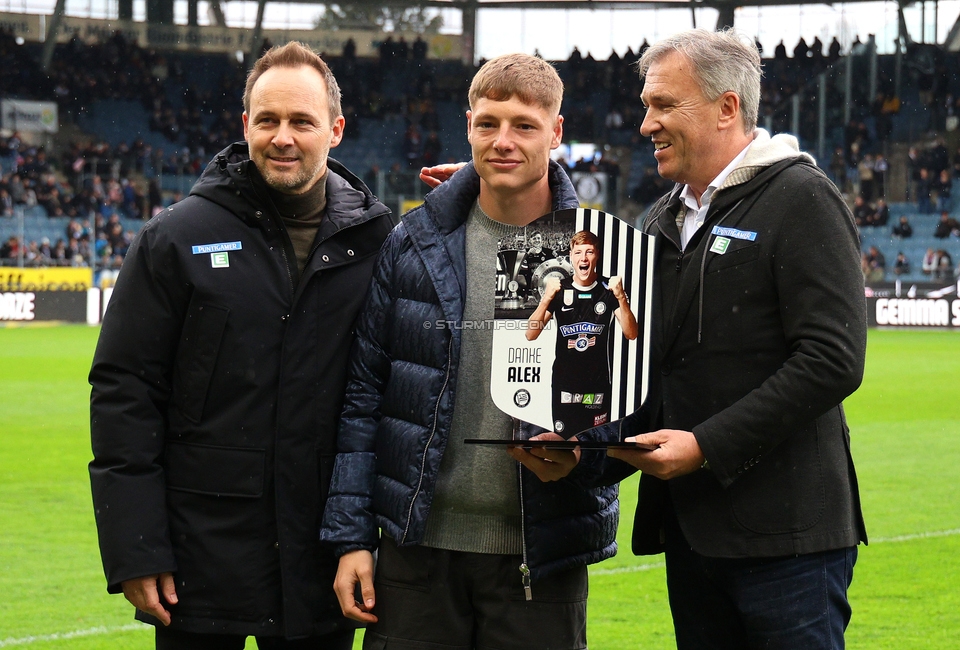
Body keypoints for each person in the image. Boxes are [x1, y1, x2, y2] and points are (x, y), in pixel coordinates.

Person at [535, 29, 866, 649]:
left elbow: (833, 359)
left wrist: (706, 446)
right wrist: (586, 448)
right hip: (691, 532)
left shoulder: (801, 197)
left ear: (727, 107)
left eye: (663, 105)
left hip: (788, 539)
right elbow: (640, 367)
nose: (645, 124)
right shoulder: (659, 221)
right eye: (645, 106)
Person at [88, 42, 395, 650]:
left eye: (301, 122)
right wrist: (137, 547)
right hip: (198, 568)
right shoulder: (175, 237)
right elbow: (126, 394)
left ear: (334, 129)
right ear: (244, 125)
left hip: (324, 563)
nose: (283, 137)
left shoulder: (380, 241)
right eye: (268, 120)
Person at [321, 53, 617, 650]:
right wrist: (352, 538)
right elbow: (363, 395)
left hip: (542, 556)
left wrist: (584, 453)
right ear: (467, 125)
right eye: (488, 124)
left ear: (556, 133)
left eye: (524, 126)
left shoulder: (603, 252)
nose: (503, 141)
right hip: (415, 551)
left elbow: (632, 406)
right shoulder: (413, 240)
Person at [526, 229, 638, 436]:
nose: (583, 258)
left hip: (596, 386)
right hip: (564, 386)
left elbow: (631, 333)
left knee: (593, 446)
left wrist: (621, 296)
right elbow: (531, 334)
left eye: (589, 252)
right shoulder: (559, 289)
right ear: (571, 256)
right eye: (578, 253)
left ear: (597, 255)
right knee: (564, 444)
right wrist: (546, 299)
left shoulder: (608, 290)